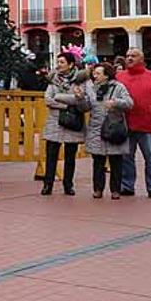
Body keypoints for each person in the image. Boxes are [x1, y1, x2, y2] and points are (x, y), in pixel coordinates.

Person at [116, 48, 151, 198]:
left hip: (147, 124)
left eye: (133, 56)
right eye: (127, 56)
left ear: (141, 59)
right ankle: (127, 186)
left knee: (150, 159)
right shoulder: (119, 77)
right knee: (126, 157)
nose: (129, 58)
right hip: (125, 124)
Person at [40, 51, 92, 196]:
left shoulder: (82, 80)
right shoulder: (53, 79)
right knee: (51, 155)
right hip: (55, 121)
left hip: (73, 122)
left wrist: (62, 98)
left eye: (62, 62)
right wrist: (69, 104)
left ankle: (68, 184)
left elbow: (86, 103)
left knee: (70, 156)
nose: (59, 65)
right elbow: (48, 99)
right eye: (58, 62)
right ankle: (47, 184)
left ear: (71, 64)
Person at [87, 62, 133, 200]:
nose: (95, 76)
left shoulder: (118, 87)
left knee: (116, 161)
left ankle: (115, 190)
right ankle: (98, 189)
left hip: (114, 128)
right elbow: (86, 106)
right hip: (96, 128)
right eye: (94, 73)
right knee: (98, 162)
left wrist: (116, 102)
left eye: (98, 73)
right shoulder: (91, 88)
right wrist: (79, 99)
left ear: (107, 75)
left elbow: (130, 103)